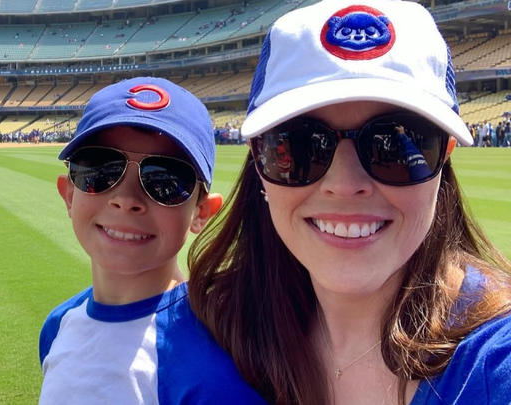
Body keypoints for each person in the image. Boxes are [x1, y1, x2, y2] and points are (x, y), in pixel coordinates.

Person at [188, 1, 511, 404]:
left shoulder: (496, 365)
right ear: (258, 157)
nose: (344, 185)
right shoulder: (212, 329)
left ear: (443, 157)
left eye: (392, 144)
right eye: (302, 145)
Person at [38, 77, 265, 405]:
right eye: (99, 169)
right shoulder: (58, 326)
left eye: (166, 181)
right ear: (69, 195)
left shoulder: (213, 373)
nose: (126, 199)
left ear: (201, 212)